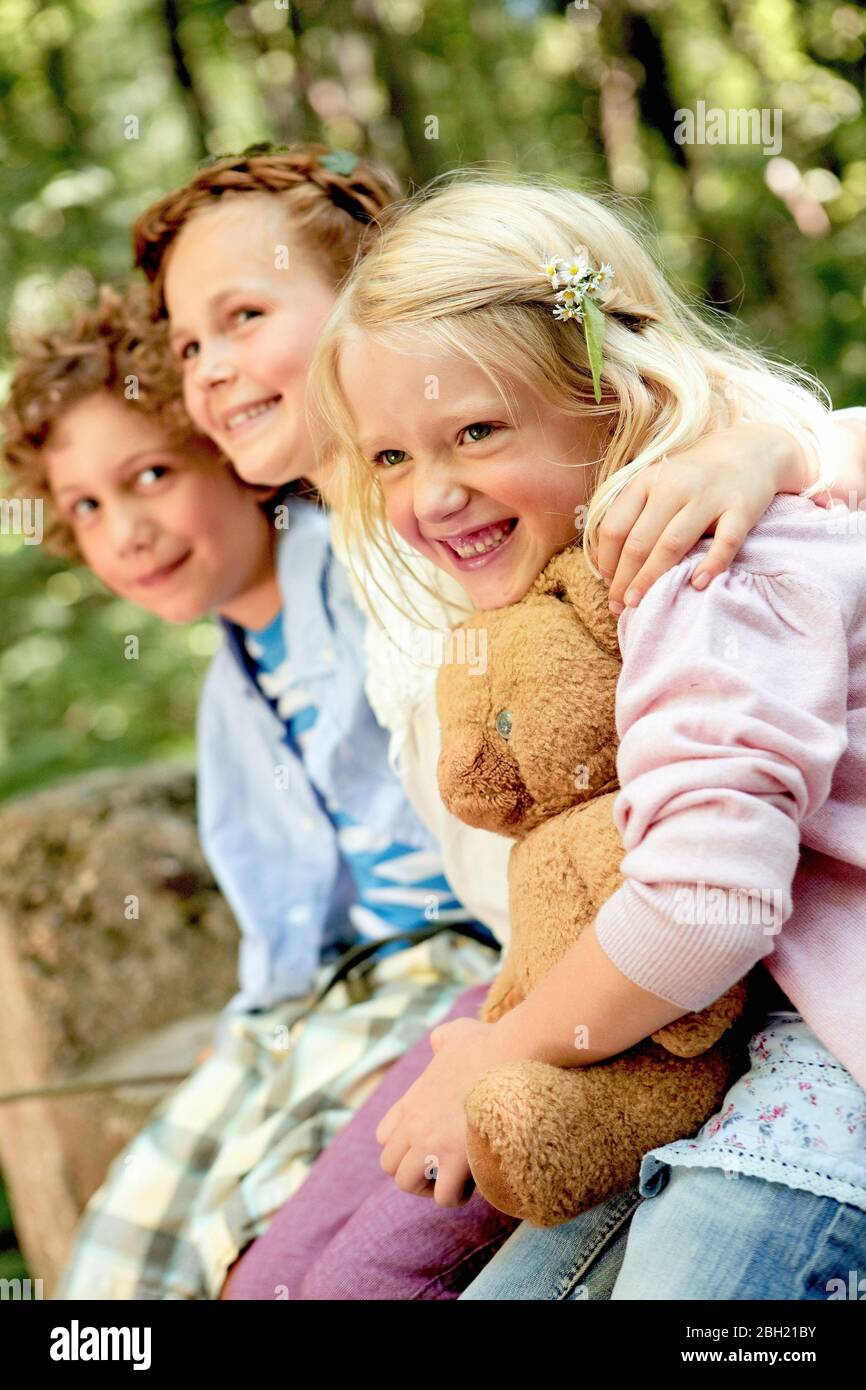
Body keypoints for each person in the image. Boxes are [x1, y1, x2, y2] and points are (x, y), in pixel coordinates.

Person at [292, 174, 866, 1300]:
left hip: (828, 1043)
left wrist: (493, 1058)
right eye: (393, 457)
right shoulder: (583, 588)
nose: (432, 495)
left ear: (610, 398)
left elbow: (704, 905)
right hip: (729, 1032)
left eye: (476, 431)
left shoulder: (703, 564)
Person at [2, 283, 505, 1300]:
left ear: (229, 455)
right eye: (88, 506)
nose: (126, 532)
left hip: (450, 959)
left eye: (151, 475)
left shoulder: (364, 570)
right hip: (327, 984)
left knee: (248, 1232)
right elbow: (290, 908)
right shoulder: (236, 671)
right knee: (115, 1258)